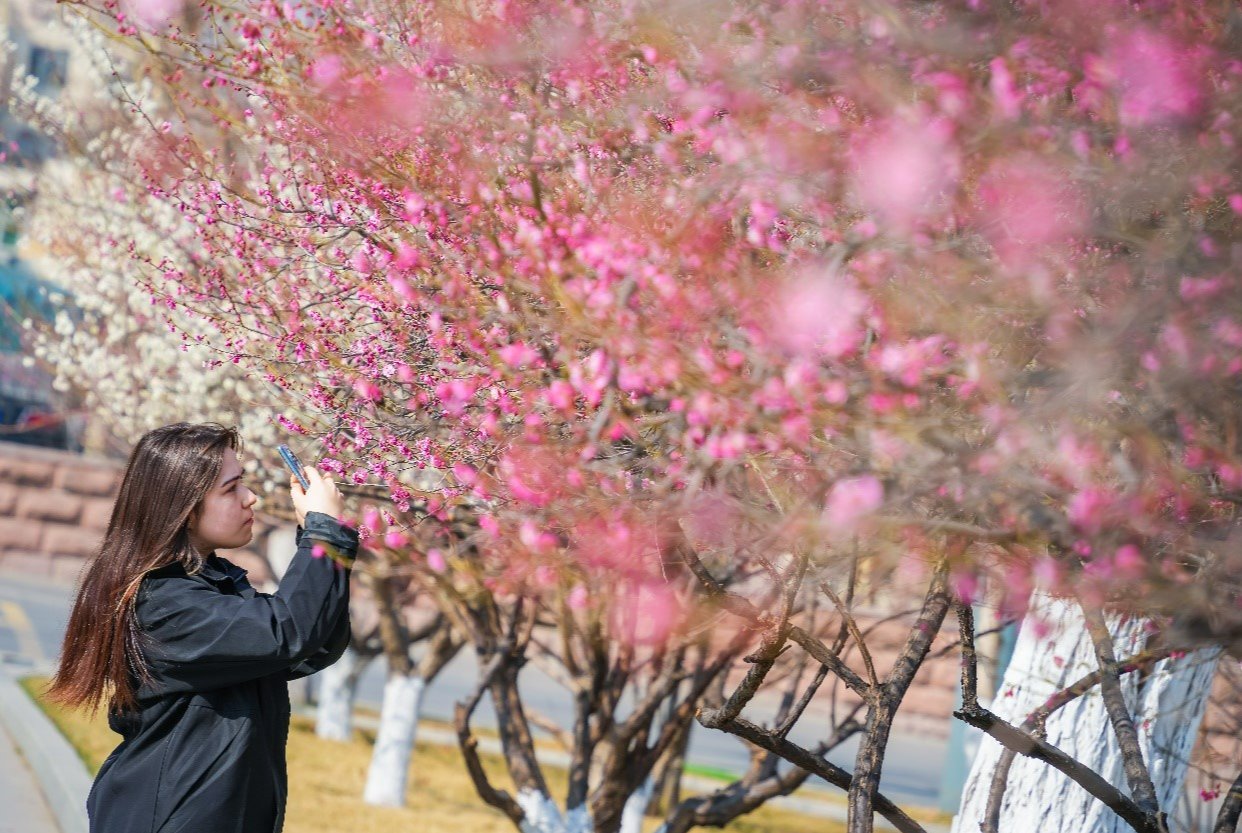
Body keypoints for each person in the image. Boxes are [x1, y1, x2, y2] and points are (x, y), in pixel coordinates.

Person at [46, 422, 358, 833]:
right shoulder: (163, 603)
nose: (251, 498)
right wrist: (323, 534)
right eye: (231, 489)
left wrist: (322, 541)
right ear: (184, 508)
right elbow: (286, 633)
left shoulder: (212, 584)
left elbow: (312, 644)